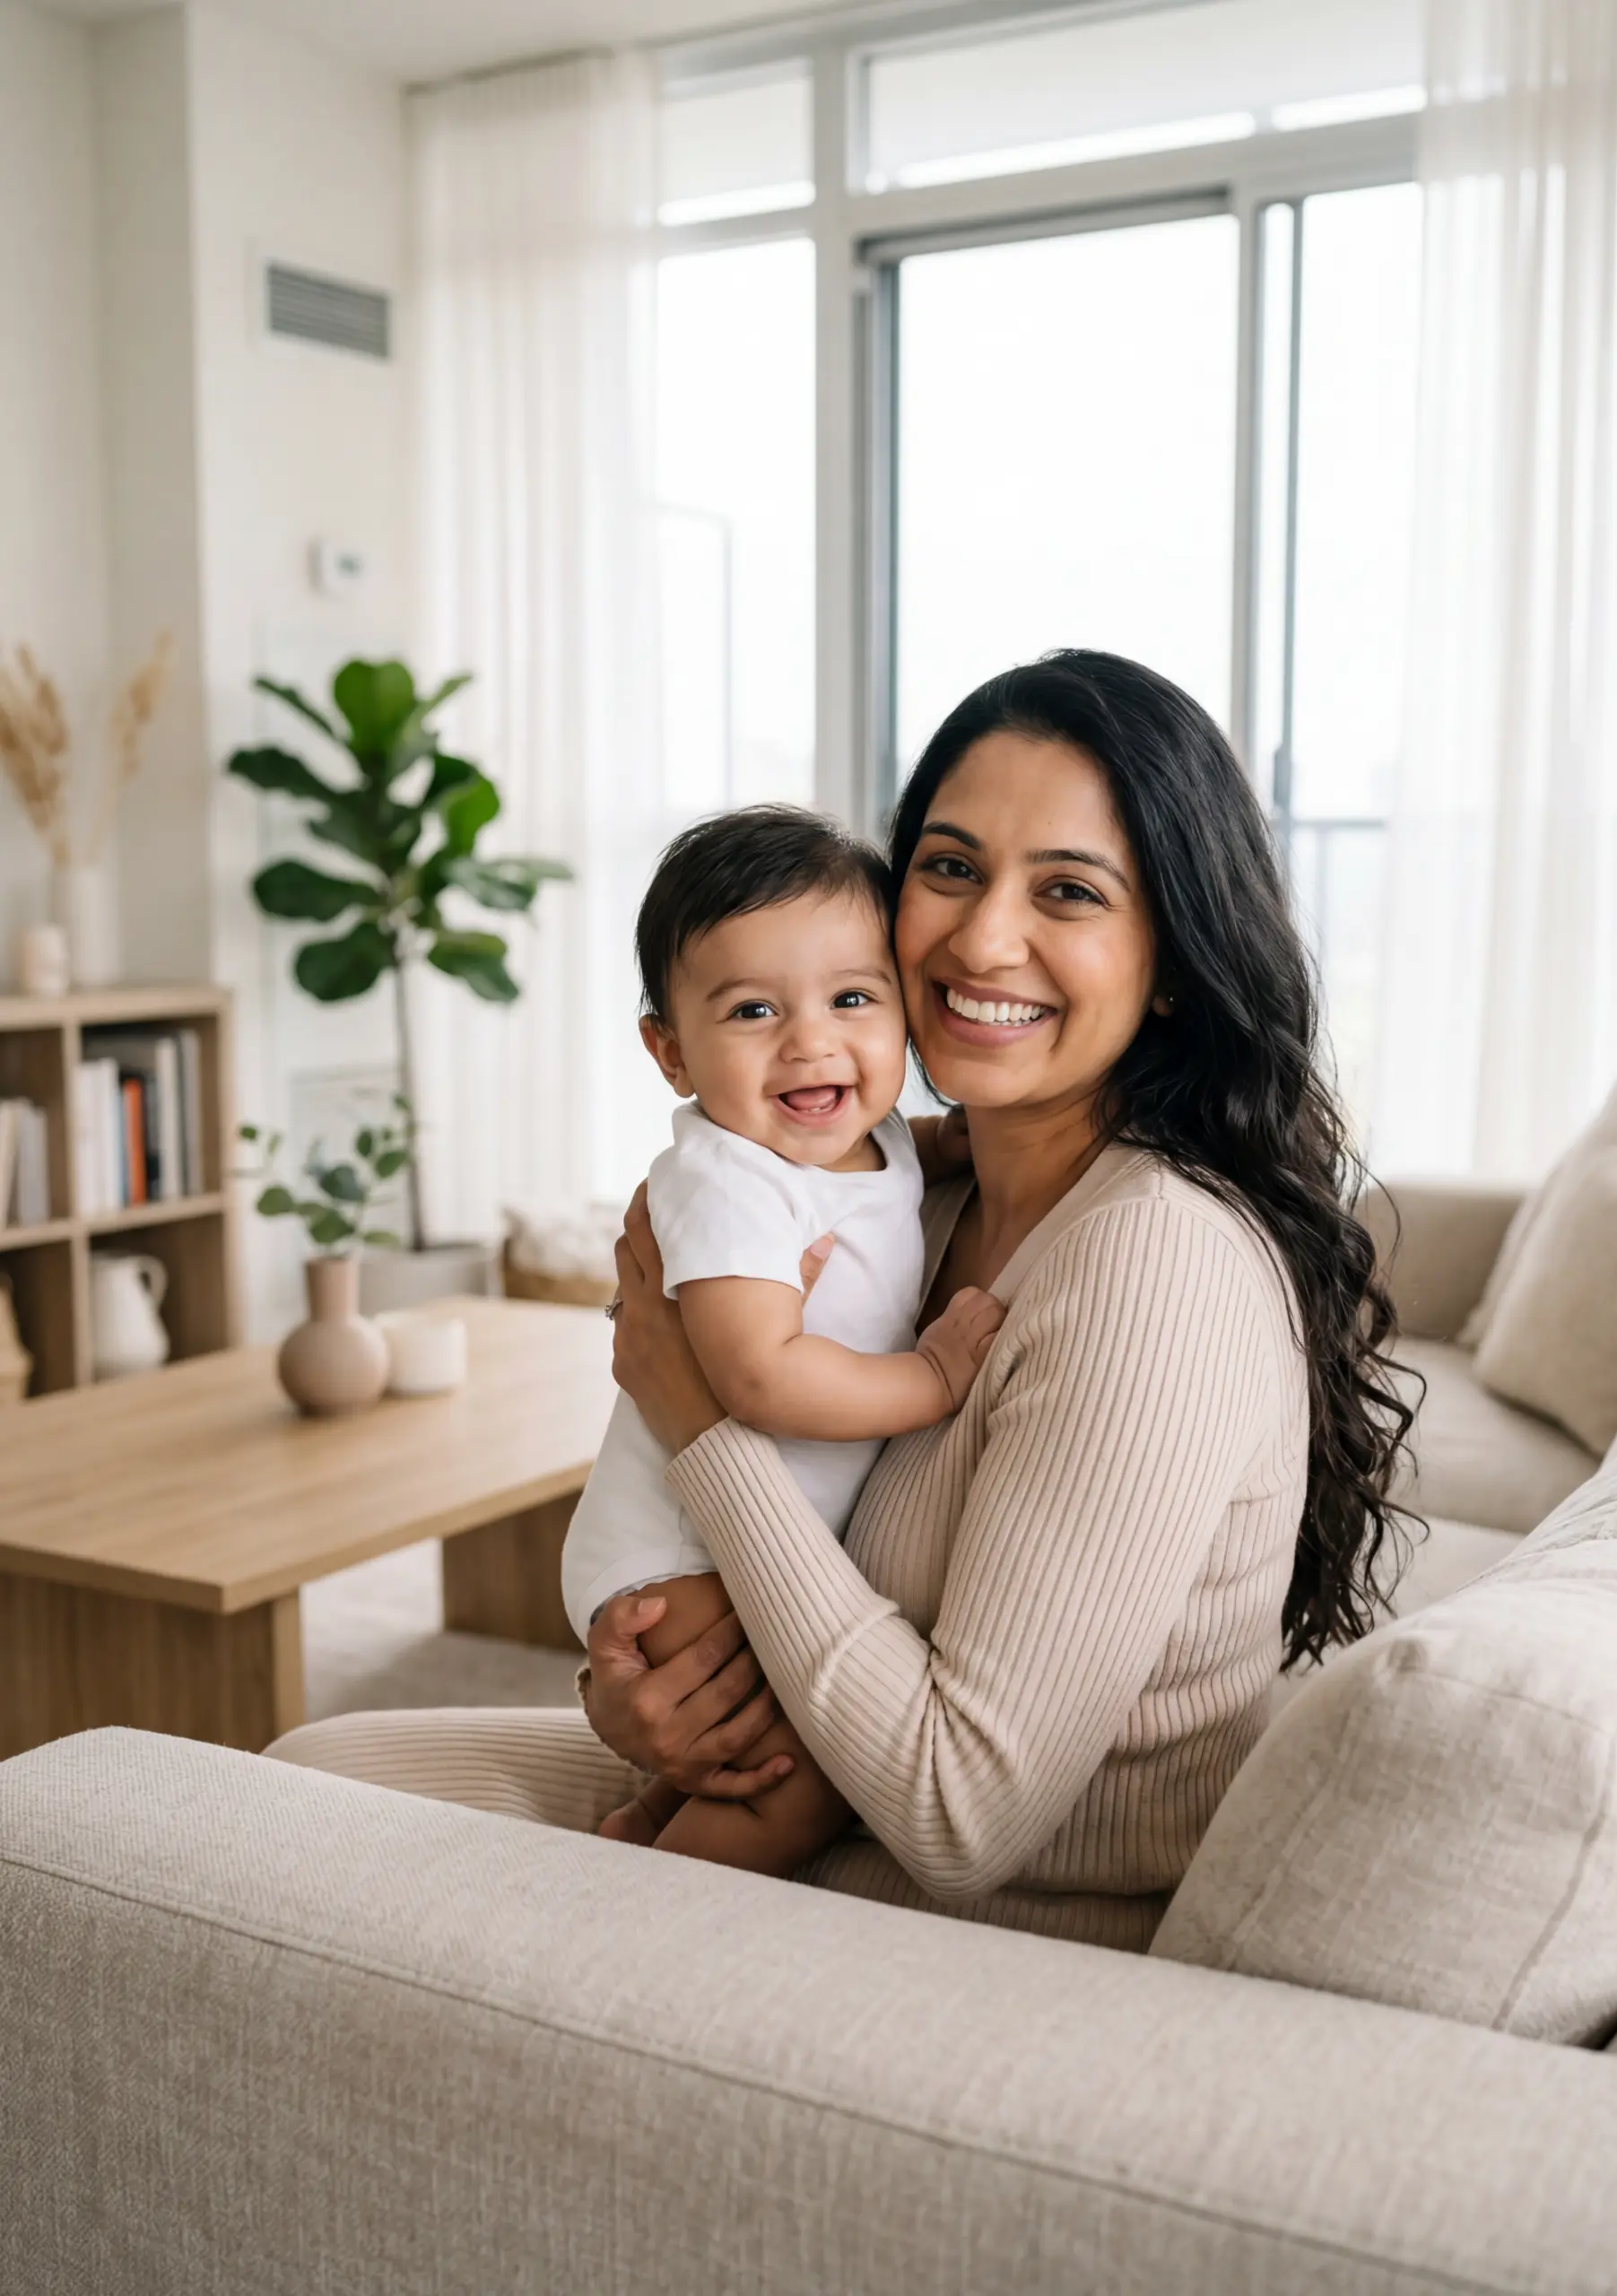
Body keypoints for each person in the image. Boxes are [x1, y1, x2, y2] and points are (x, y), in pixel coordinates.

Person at [271, 648, 1412, 1952]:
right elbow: (762, 1555)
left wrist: (698, 1419)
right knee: (302, 1773)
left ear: (1170, 959)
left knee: (299, 1870)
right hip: (803, 1785)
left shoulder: (1155, 1264)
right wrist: (635, 1699)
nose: (982, 938)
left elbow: (959, 1817)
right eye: (950, 867)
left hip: (985, 1921)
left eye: (1067, 891)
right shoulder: (903, 1188)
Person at [562, 804, 1002, 1872]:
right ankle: (643, 1906)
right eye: (754, 1009)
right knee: (796, 1774)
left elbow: (910, 1153)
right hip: (682, 1553)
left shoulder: (870, 1136)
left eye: (852, 998)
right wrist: (933, 1377)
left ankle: (648, 1822)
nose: (811, 1040)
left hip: (737, 1540)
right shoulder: (729, 1179)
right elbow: (759, 1375)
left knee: (752, 1740)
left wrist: (969, 1138)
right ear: (671, 1052)